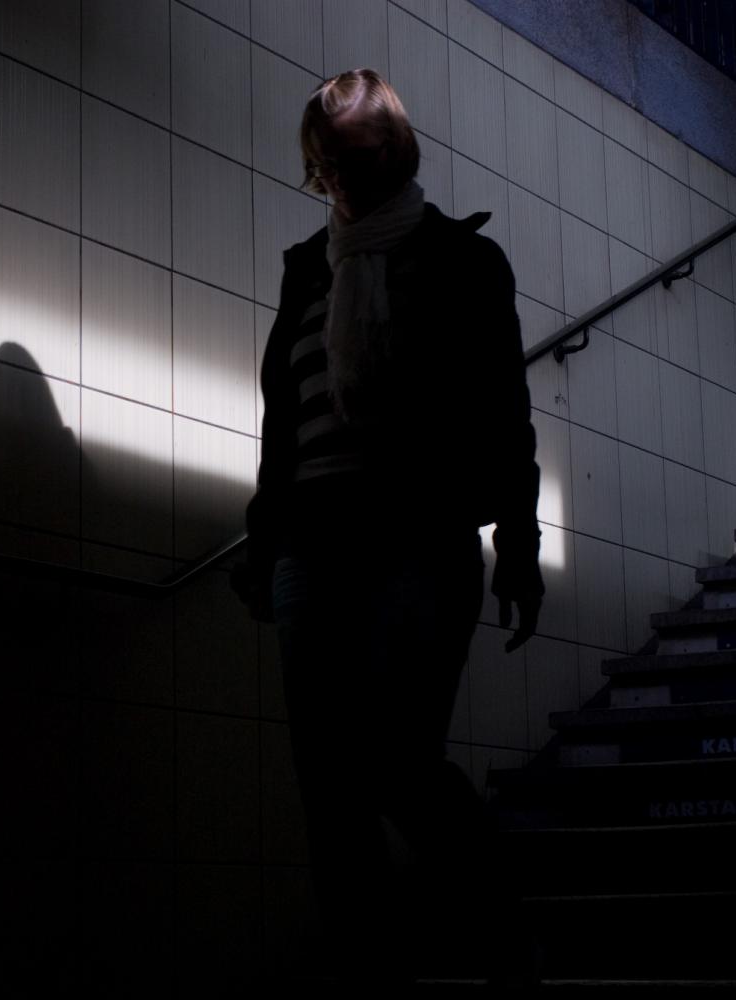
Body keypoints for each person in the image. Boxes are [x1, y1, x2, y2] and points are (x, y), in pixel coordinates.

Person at [232, 69, 544, 987]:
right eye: (325, 161)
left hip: (416, 538)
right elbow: (283, 417)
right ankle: (368, 970)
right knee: (329, 784)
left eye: (357, 154)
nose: (341, 174)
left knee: (395, 759)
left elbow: (504, 410)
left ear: (397, 148)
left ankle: (497, 925)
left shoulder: (460, 260)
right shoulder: (307, 267)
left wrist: (518, 543)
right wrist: (265, 536)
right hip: (312, 544)